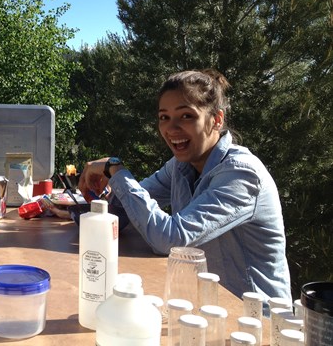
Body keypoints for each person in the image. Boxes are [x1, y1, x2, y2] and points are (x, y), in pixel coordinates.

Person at [79, 69, 291, 302]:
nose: (171, 129)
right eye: (164, 117)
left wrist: (115, 170)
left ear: (216, 120)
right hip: (206, 306)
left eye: (186, 116)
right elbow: (127, 207)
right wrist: (86, 211)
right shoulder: (181, 167)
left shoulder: (241, 174)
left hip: (256, 322)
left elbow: (170, 240)